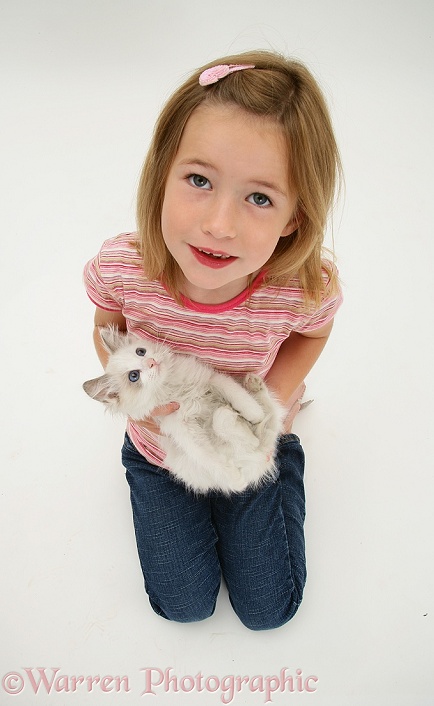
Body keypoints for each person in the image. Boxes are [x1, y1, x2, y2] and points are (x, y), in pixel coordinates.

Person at [84, 50, 343, 630]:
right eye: (198, 180)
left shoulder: (297, 288)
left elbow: (315, 331)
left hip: (241, 441)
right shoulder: (127, 267)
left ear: (295, 217)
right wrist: (135, 397)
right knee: (184, 607)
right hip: (160, 451)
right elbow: (105, 323)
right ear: (162, 174)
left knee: (267, 612)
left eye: (259, 198)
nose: (219, 224)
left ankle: (287, 455)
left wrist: (271, 405)